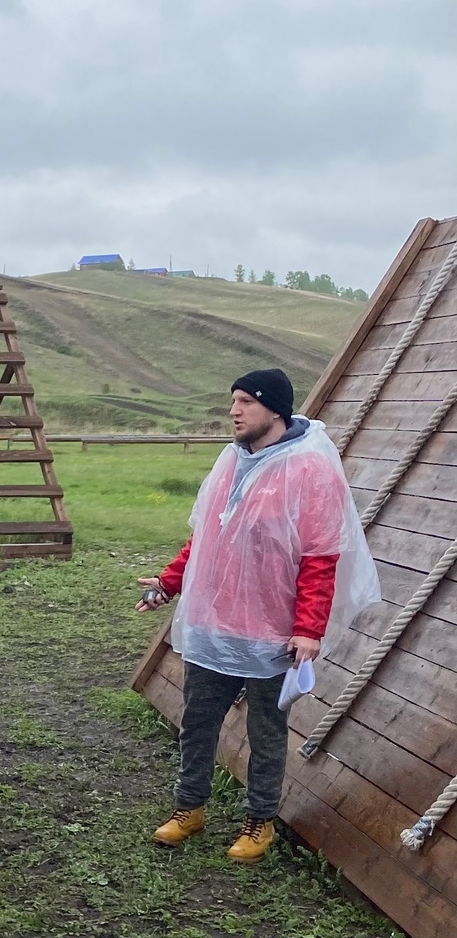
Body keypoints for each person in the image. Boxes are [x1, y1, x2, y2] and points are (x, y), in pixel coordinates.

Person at [137, 368, 379, 862]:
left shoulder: (309, 468)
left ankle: (259, 820)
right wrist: (169, 582)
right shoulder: (232, 459)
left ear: (274, 409)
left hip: (271, 631)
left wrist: (308, 629)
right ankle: (189, 808)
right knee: (198, 722)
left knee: (265, 732)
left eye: (246, 401)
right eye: (233, 400)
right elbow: (208, 537)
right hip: (213, 623)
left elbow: (320, 558)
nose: (234, 411)